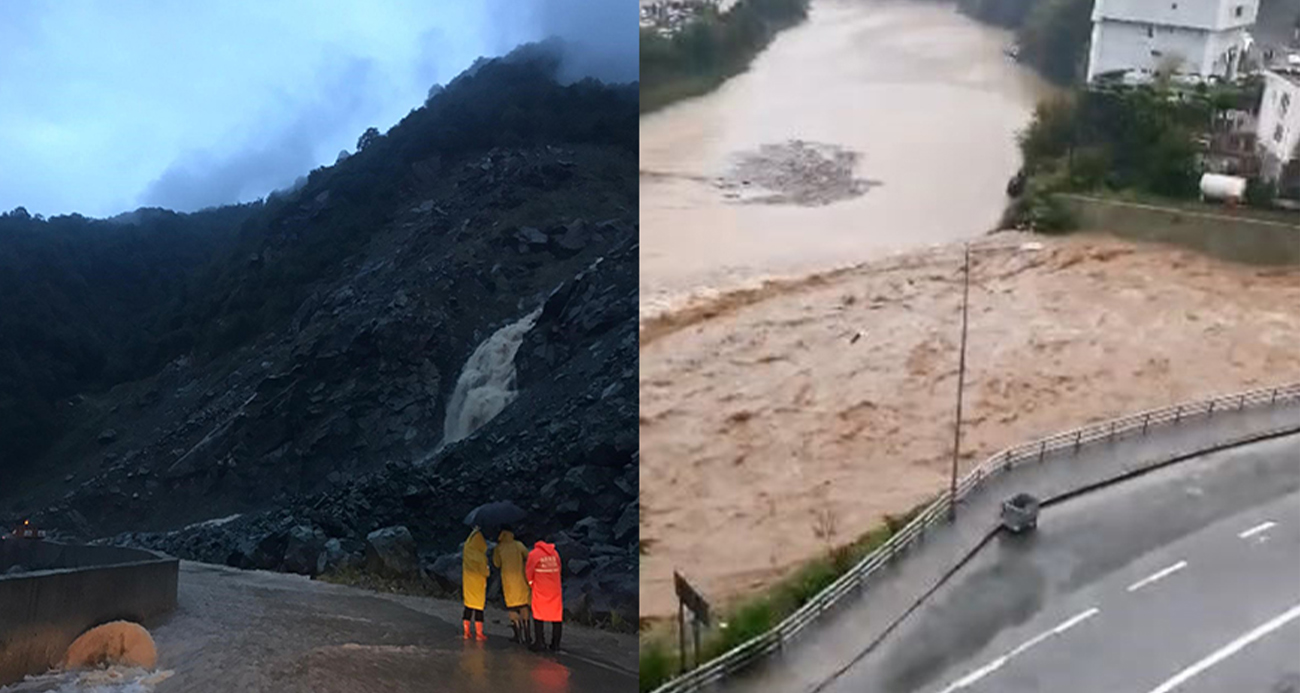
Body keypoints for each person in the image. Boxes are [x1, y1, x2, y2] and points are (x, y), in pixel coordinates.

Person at [493, 525, 532, 644]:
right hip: (521, 580)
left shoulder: (499, 548)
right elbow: (528, 556)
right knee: (524, 606)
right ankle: (527, 635)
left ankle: (517, 635)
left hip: (508, 583)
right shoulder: (518, 545)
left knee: (512, 609)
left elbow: (496, 564)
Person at [526, 535, 563, 652]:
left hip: (541, 589)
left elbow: (529, 571)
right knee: (556, 616)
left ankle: (539, 642)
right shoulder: (555, 553)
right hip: (555, 589)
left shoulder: (533, 554)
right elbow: (559, 568)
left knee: (538, 615)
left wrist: (531, 584)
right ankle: (555, 644)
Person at [462, 527, 489, 641]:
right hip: (478, 584)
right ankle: (479, 633)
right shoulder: (481, 557)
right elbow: (485, 572)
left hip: (468, 582)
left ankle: (466, 632)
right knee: (479, 608)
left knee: (468, 606)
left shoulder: (466, 552)